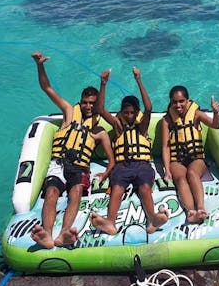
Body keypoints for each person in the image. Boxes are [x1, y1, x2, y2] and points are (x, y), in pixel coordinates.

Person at [30, 51, 115, 249]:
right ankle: (47, 234)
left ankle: (65, 233)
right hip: (58, 164)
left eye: (92, 104)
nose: (87, 106)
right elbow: (47, 88)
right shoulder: (69, 112)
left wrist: (106, 173)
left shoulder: (99, 131)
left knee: (75, 193)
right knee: (51, 192)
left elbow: (111, 160)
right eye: (85, 102)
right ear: (80, 101)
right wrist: (39, 65)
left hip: (79, 168)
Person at [90, 67, 169, 234]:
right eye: (126, 113)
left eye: (133, 113)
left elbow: (148, 108)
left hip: (142, 164)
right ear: (122, 113)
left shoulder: (142, 128)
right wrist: (103, 83)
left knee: (145, 188)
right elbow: (100, 110)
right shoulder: (118, 127)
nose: (129, 116)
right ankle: (110, 222)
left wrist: (139, 80)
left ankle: (153, 219)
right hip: (122, 166)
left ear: (136, 113)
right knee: (117, 189)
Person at [161, 86, 219, 223]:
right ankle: (191, 212)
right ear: (170, 101)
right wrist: (167, 170)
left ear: (187, 100)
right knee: (181, 178)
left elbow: (215, 125)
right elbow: (165, 146)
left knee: (192, 174)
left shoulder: (196, 114)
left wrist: (216, 113)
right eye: (174, 102)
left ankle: (200, 208)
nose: (178, 105)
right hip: (177, 160)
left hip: (196, 158)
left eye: (181, 101)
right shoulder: (167, 120)